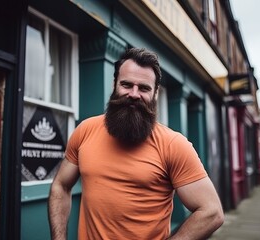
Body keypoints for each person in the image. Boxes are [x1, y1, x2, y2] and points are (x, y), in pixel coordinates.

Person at [48, 47, 224, 240]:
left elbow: (211, 212)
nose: (134, 94)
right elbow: (61, 186)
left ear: (155, 93)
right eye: (126, 85)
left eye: (144, 88)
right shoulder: (85, 130)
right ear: (114, 84)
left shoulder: (173, 144)